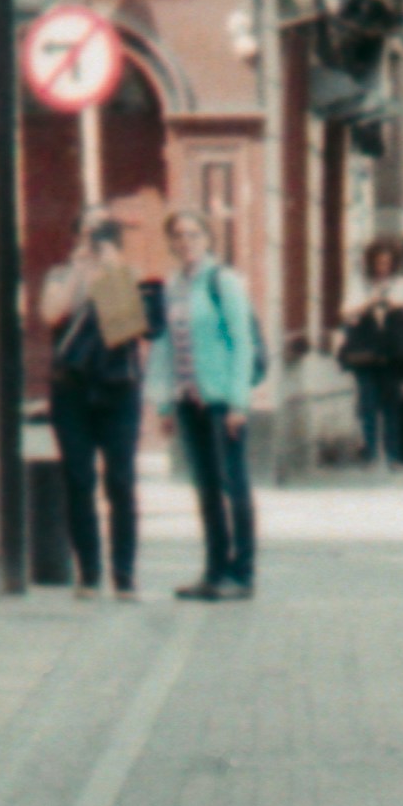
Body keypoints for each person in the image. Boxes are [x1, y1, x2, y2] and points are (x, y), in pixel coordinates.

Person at [153, 210, 263, 599]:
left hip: (221, 401)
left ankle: (242, 574)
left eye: (194, 234)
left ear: (208, 238)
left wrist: (238, 403)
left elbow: (243, 343)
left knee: (234, 486)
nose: (186, 242)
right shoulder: (172, 286)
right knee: (206, 488)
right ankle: (215, 571)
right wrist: (164, 404)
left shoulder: (223, 281)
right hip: (189, 400)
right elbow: (163, 346)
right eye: (178, 235)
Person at [42, 224, 152, 597]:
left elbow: (124, 327)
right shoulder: (60, 276)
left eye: (100, 242)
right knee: (78, 478)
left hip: (118, 392)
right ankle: (88, 572)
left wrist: (111, 273)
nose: (91, 248)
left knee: (120, 481)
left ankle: (124, 574)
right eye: (85, 239)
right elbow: (52, 315)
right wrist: (77, 274)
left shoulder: (129, 278)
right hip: (71, 391)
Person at [339, 247, 403, 467]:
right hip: (366, 351)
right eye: (378, 263)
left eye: (387, 263)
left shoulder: (402, 285)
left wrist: (396, 306)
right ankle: (370, 452)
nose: (382, 268)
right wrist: (368, 304)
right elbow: (346, 313)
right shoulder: (361, 285)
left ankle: (393, 454)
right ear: (371, 263)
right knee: (367, 402)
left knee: (391, 403)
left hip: (392, 352)